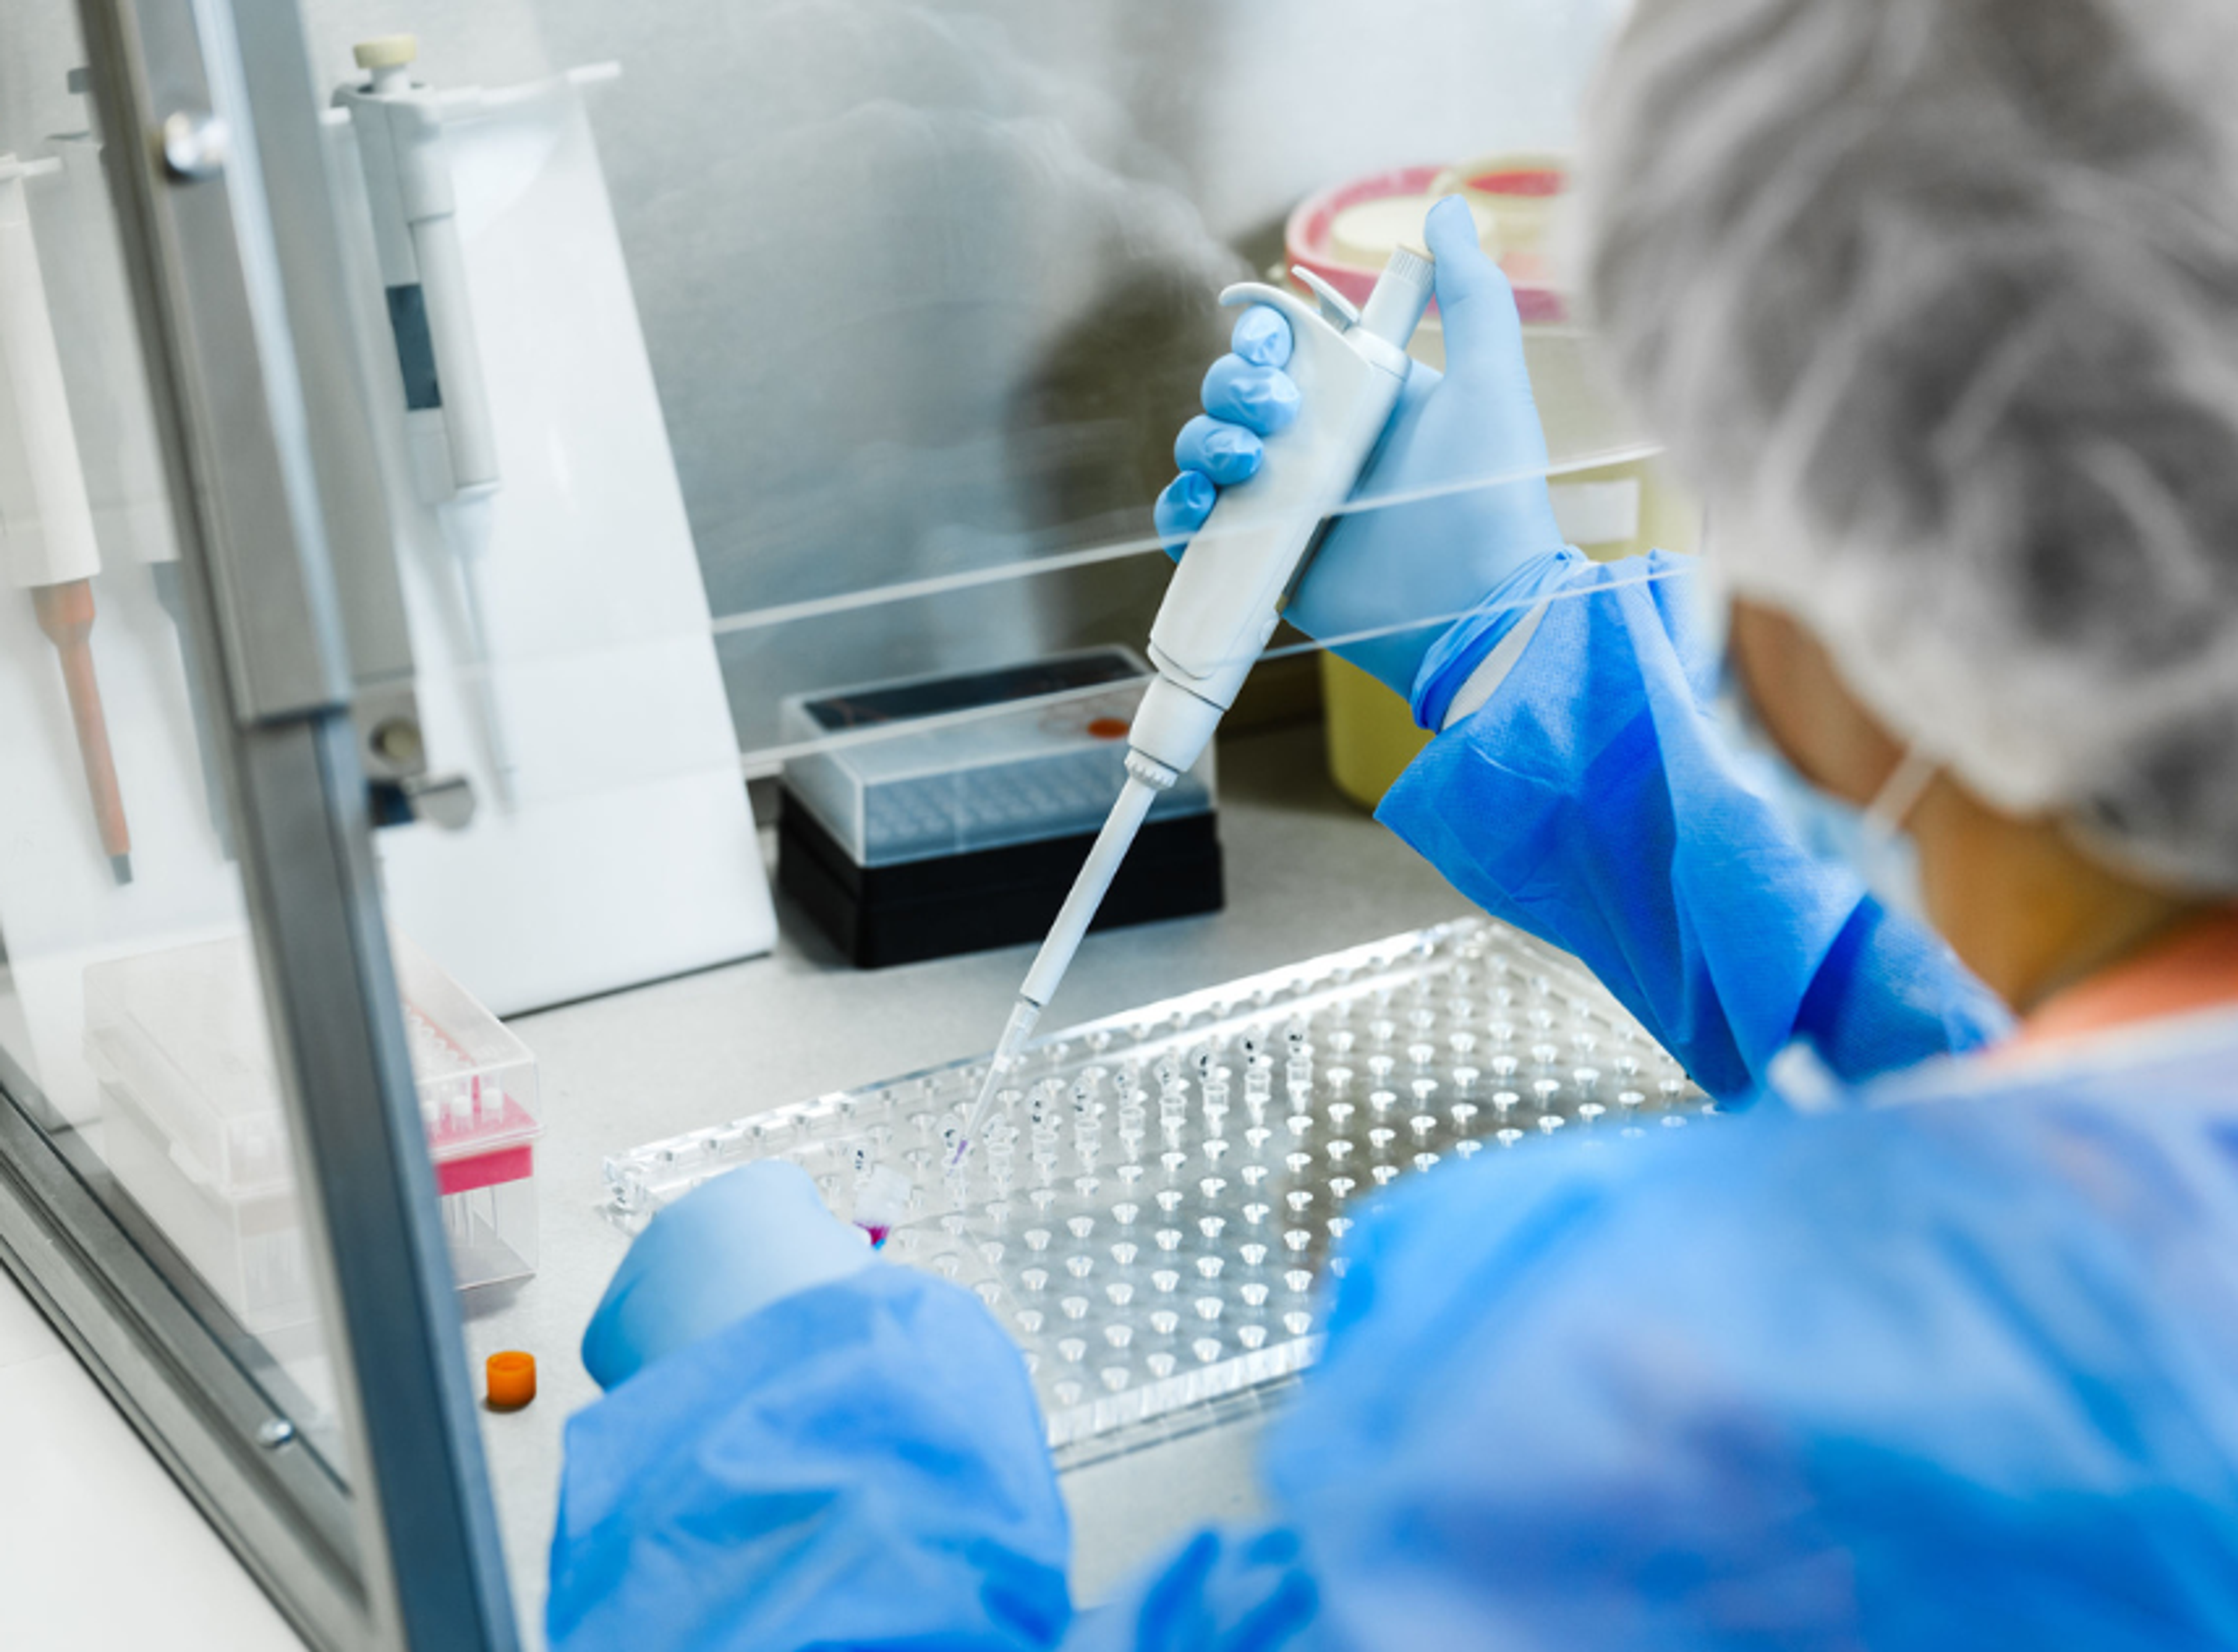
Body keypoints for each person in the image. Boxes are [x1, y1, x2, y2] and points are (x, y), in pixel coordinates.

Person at [551, 0, 2238, 1644]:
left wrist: (786, 1442)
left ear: (1846, 612)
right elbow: (2022, 1055)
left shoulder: (1687, 1415)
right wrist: (1520, 649)